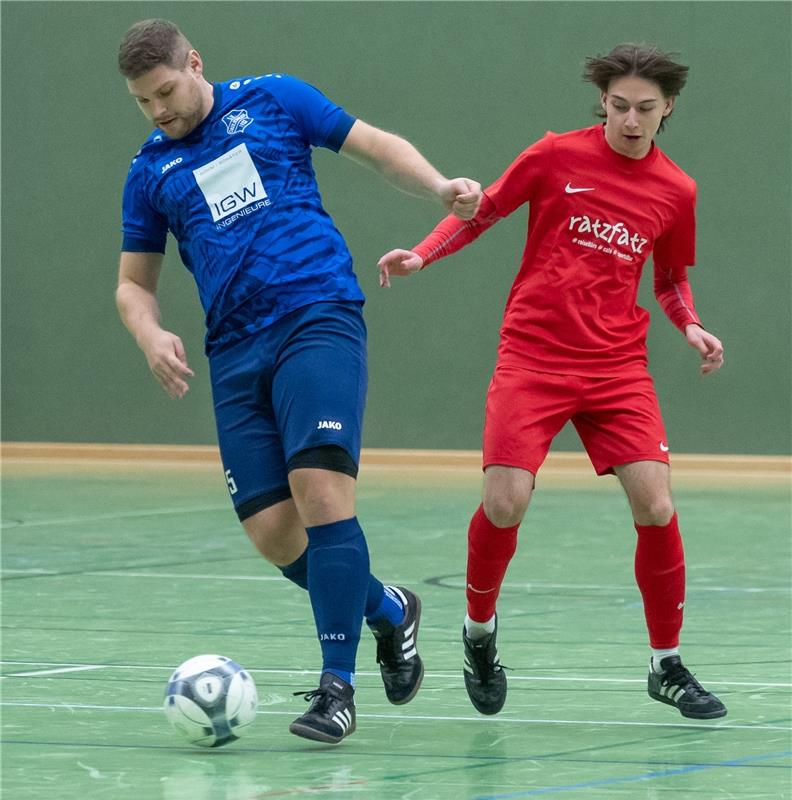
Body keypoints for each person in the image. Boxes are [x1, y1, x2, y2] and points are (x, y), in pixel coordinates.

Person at [115, 19, 482, 744]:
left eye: (165, 91)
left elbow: (374, 146)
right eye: (141, 101)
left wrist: (439, 185)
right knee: (274, 534)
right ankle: (389, 609)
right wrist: (151, 331)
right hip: (233, 350)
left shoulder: (274, 100)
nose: (158, 110)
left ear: (195, 63)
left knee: (320, 492)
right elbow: (133, 284)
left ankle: (337, 688)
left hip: (316, 314)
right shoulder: (149, 171)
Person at [378, 43, 727, 720]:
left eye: (645, 109)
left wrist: (690, 326)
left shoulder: (676, 190)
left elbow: (671, 282)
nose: (630, 119)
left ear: (668, 110)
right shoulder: (554, 156)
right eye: (619, 105)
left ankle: (666, 664)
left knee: (656, 503)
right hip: (534, 357)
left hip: (617, 367)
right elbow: (483, 210)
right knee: (505, 502)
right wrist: (422, 254)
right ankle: (479, 635)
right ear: (604, 102)